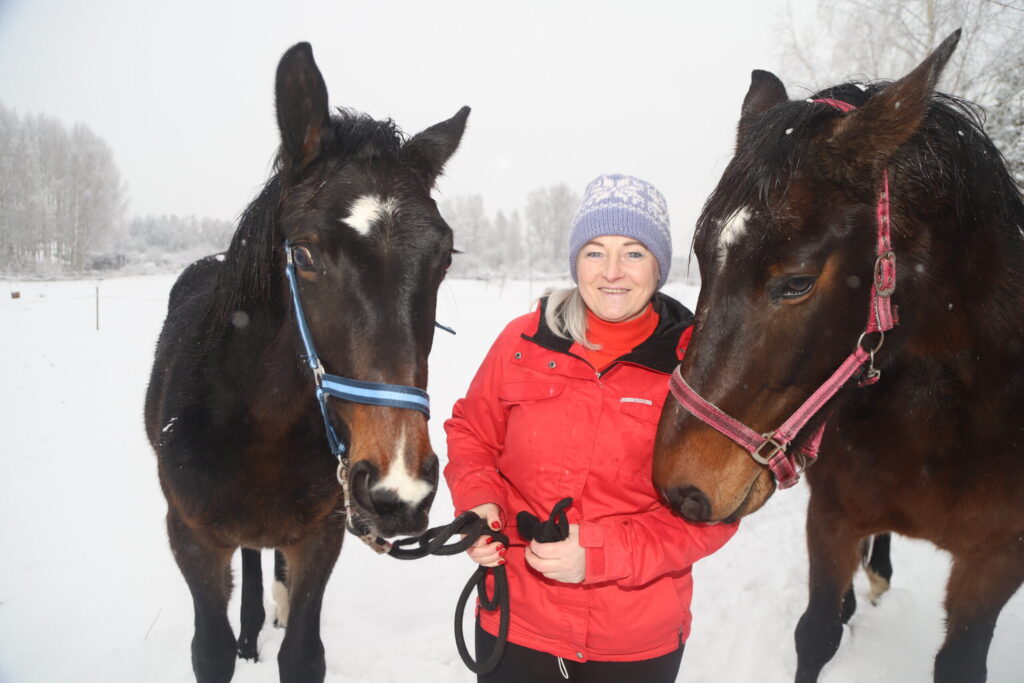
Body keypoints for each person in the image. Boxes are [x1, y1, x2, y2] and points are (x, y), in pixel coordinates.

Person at [444, 174, 738, 682]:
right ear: (576, 260)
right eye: (596, 252)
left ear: (660, 266)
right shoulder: (522, 341)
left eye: (634, 252)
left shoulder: (699, 368)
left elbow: (716, 510)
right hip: (515, 625)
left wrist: (599, 554)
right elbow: (473, 433)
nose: (613, 273)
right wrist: (478, 502)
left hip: (633, 643)